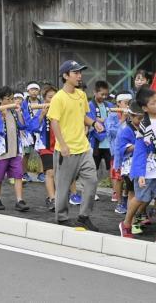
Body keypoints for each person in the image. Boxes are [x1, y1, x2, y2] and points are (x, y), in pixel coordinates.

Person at [119, 87, 156, 245]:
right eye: (153, 103)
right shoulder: (144, 126)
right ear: (145, 108)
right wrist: (141, 174)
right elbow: (139, 152)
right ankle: (126, 223)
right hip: (148, 165)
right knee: (140, 197)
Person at [48, 61, 99, 231]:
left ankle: (83, 217)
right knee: (63, 186)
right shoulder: (58, 98)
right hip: (66, 150)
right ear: (65, 76)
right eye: (75, 73)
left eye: (80, 72)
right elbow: (54, 122)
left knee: (92, 181)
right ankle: (61, 217)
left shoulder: (81, 95)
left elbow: (82, 116)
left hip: (83, 148)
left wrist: (93, 123)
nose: (79, 75)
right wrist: (62, 145)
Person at [0, 86, 30, 212]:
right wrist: (3, 117)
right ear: (1, 100)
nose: (12, 101)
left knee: (18, 175)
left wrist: (18, 111)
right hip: (2, 152)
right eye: (8, 99)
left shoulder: (14, 112)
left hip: (15, 150)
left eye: (13, 98)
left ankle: (19, 200)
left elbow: (23, 126)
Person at [113, 101, 144, 234]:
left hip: (142, 166)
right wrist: (139, 146)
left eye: (143, 118)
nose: (141, 121)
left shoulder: (143, 128)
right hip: (129, 167)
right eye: (139, 118)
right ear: (131, 116)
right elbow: (121, 149)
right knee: (133, 193)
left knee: (142, 194)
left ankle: (136, 218)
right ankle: (130, 221)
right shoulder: (126, 130)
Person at [31, 85, 57, 211]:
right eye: (50, 97)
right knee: (50, 172)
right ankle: (53, 199)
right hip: (45, 146)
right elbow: (34, 127)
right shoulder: (42, 109)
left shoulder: (60, 109)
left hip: (59, 145)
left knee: (58, 174)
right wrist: (42, 114)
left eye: (55, 97)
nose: (52, 99)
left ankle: (51, 196)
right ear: (45, 98)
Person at [105, 92, 132, 206]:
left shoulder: (133, 114)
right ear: (118, 103)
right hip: (116, 152)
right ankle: (120, 202)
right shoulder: (112, 115)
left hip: (130, 151)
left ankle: (125, 197)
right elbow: (112, 132)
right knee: (118, 176)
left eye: (129, 103)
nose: (127, 106)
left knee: (129, 177)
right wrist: (123, 120)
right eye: (125, 103)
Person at [89, 81, 113, 199]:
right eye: (101, 94)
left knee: (112, 168)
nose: (104, 97)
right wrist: (102, 120)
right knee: (94, 169)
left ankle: (115, 193)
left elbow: (114, 120)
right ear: (95, 92)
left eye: (106, 95)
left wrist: (101, 120)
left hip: (109, 143)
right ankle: (92, 192)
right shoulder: (90, 105)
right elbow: (91, 120)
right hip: (97, 142)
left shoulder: (109, 105)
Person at [21, 82, 45, 183]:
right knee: (26, 153)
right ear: (28, 91)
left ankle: (41, 173)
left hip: (39, 130)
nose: (34, 91)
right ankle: (24, 173)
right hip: (28, 131)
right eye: (32, 89)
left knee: (42, 152)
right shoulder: (24, 104)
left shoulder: (42, 103)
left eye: (36, 89)